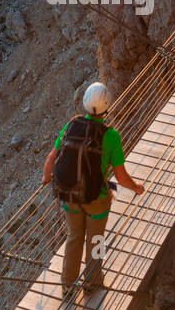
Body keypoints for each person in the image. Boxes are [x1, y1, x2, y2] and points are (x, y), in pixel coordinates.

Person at [42, 81, 144, 293]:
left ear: (85, 103)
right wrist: (136, 188)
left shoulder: (71, 125)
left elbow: (52, 158)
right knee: (96, 239)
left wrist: (45, 179)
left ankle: (67, 286)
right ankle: (92, 282)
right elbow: (121, 177)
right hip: (96, 199)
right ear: (107, 104)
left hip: (69, 195)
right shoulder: (111, 135)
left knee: (74, 236)